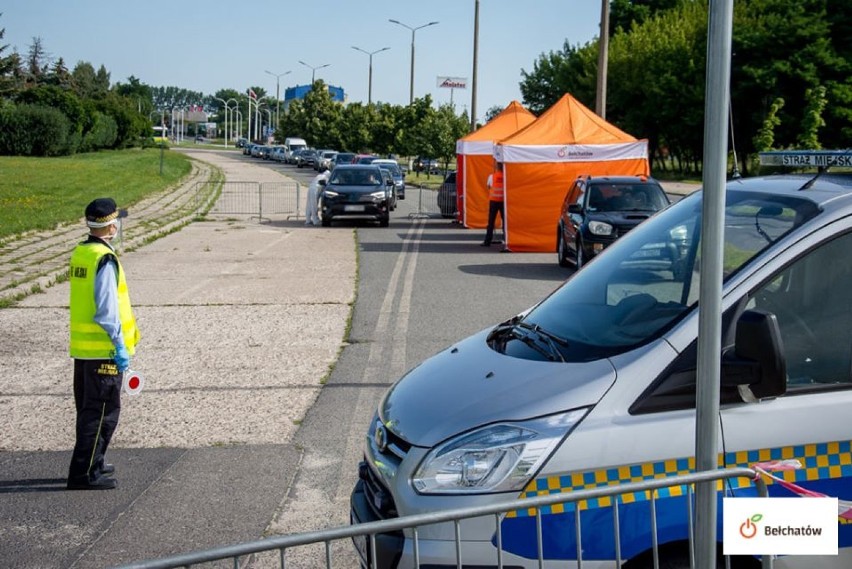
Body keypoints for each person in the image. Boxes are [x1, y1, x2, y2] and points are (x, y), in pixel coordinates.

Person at [67, 198, 140, 490]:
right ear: (110, 226)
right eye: (117, 221)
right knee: (101, 414)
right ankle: (83, 473)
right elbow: (107, 310)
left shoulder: (82, 252)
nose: (119, 225)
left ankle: (93, 461)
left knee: (89, 411)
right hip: (104, 352)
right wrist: (119, 345)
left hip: (85, 351)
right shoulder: (105, 260)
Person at [481, 161, 507, 250]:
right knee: (505, 222)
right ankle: (506, 240)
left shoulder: (492, 177)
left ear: (496, 167)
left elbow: (488, 186)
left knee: (491, 222)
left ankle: (487, 241)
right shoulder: (506, 177)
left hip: (494, 201)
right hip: (504, 202)